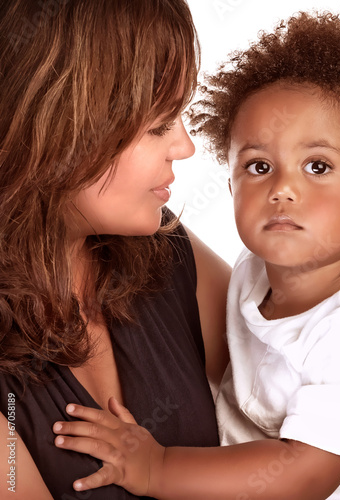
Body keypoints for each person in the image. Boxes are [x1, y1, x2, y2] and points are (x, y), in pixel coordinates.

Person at [52, 11, 340, 499]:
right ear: (231, 185)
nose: (284, 189)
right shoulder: (252, 277)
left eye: (318, 165)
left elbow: (301, 475)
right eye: (259, 165)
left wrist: (156, 467)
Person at [0, 1, 231, 498]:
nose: (185, 146)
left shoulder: (164, 250)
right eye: (157, 125)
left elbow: (313, 383)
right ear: (55, 125)